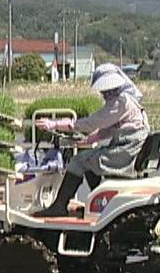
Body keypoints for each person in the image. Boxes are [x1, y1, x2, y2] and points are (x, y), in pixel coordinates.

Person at [32, 63, 150, 217]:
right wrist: (89, 140)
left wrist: (54, 124)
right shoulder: (128, 100)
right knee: (89, 160)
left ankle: (60, 206)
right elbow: (111, 128)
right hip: (129, 149)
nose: (102, 94)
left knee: (78, 161)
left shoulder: (119, 102)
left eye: (104, 90)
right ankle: (98, 204)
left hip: (125, 151)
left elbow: (90, 123)